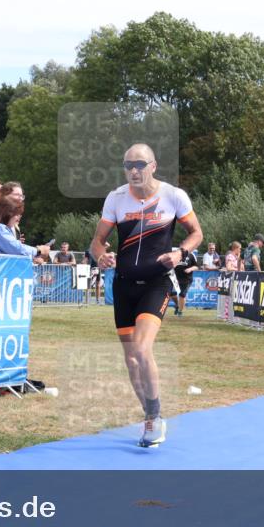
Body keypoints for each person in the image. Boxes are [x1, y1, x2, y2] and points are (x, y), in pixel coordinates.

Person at [89, 143, 203, 448]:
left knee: (141, 349)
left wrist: (181, 252)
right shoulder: (116, 198)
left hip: (157, 283)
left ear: (153, 165)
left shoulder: (173, 196)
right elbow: (97, 242)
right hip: (124, 285)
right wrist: (100, 256)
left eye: (140, 164)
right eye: (128, 165)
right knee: (131, 359)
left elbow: (196, 233)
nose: (134, 171)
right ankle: (150, 414)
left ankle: (154, 417)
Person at [0, 195, 50, 259]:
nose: (18, 218)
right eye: (17, 214)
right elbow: (16, 248)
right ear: (7, 214)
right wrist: (38, 251)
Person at [169, 247, 199, 316]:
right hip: (175, 278)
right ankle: (177, 305)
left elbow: (197, 266)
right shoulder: (176, 254)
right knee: (172, 293)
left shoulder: (191, 255)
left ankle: (180, 311)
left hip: (186, 279)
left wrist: (190, 269)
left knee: (182, 294)